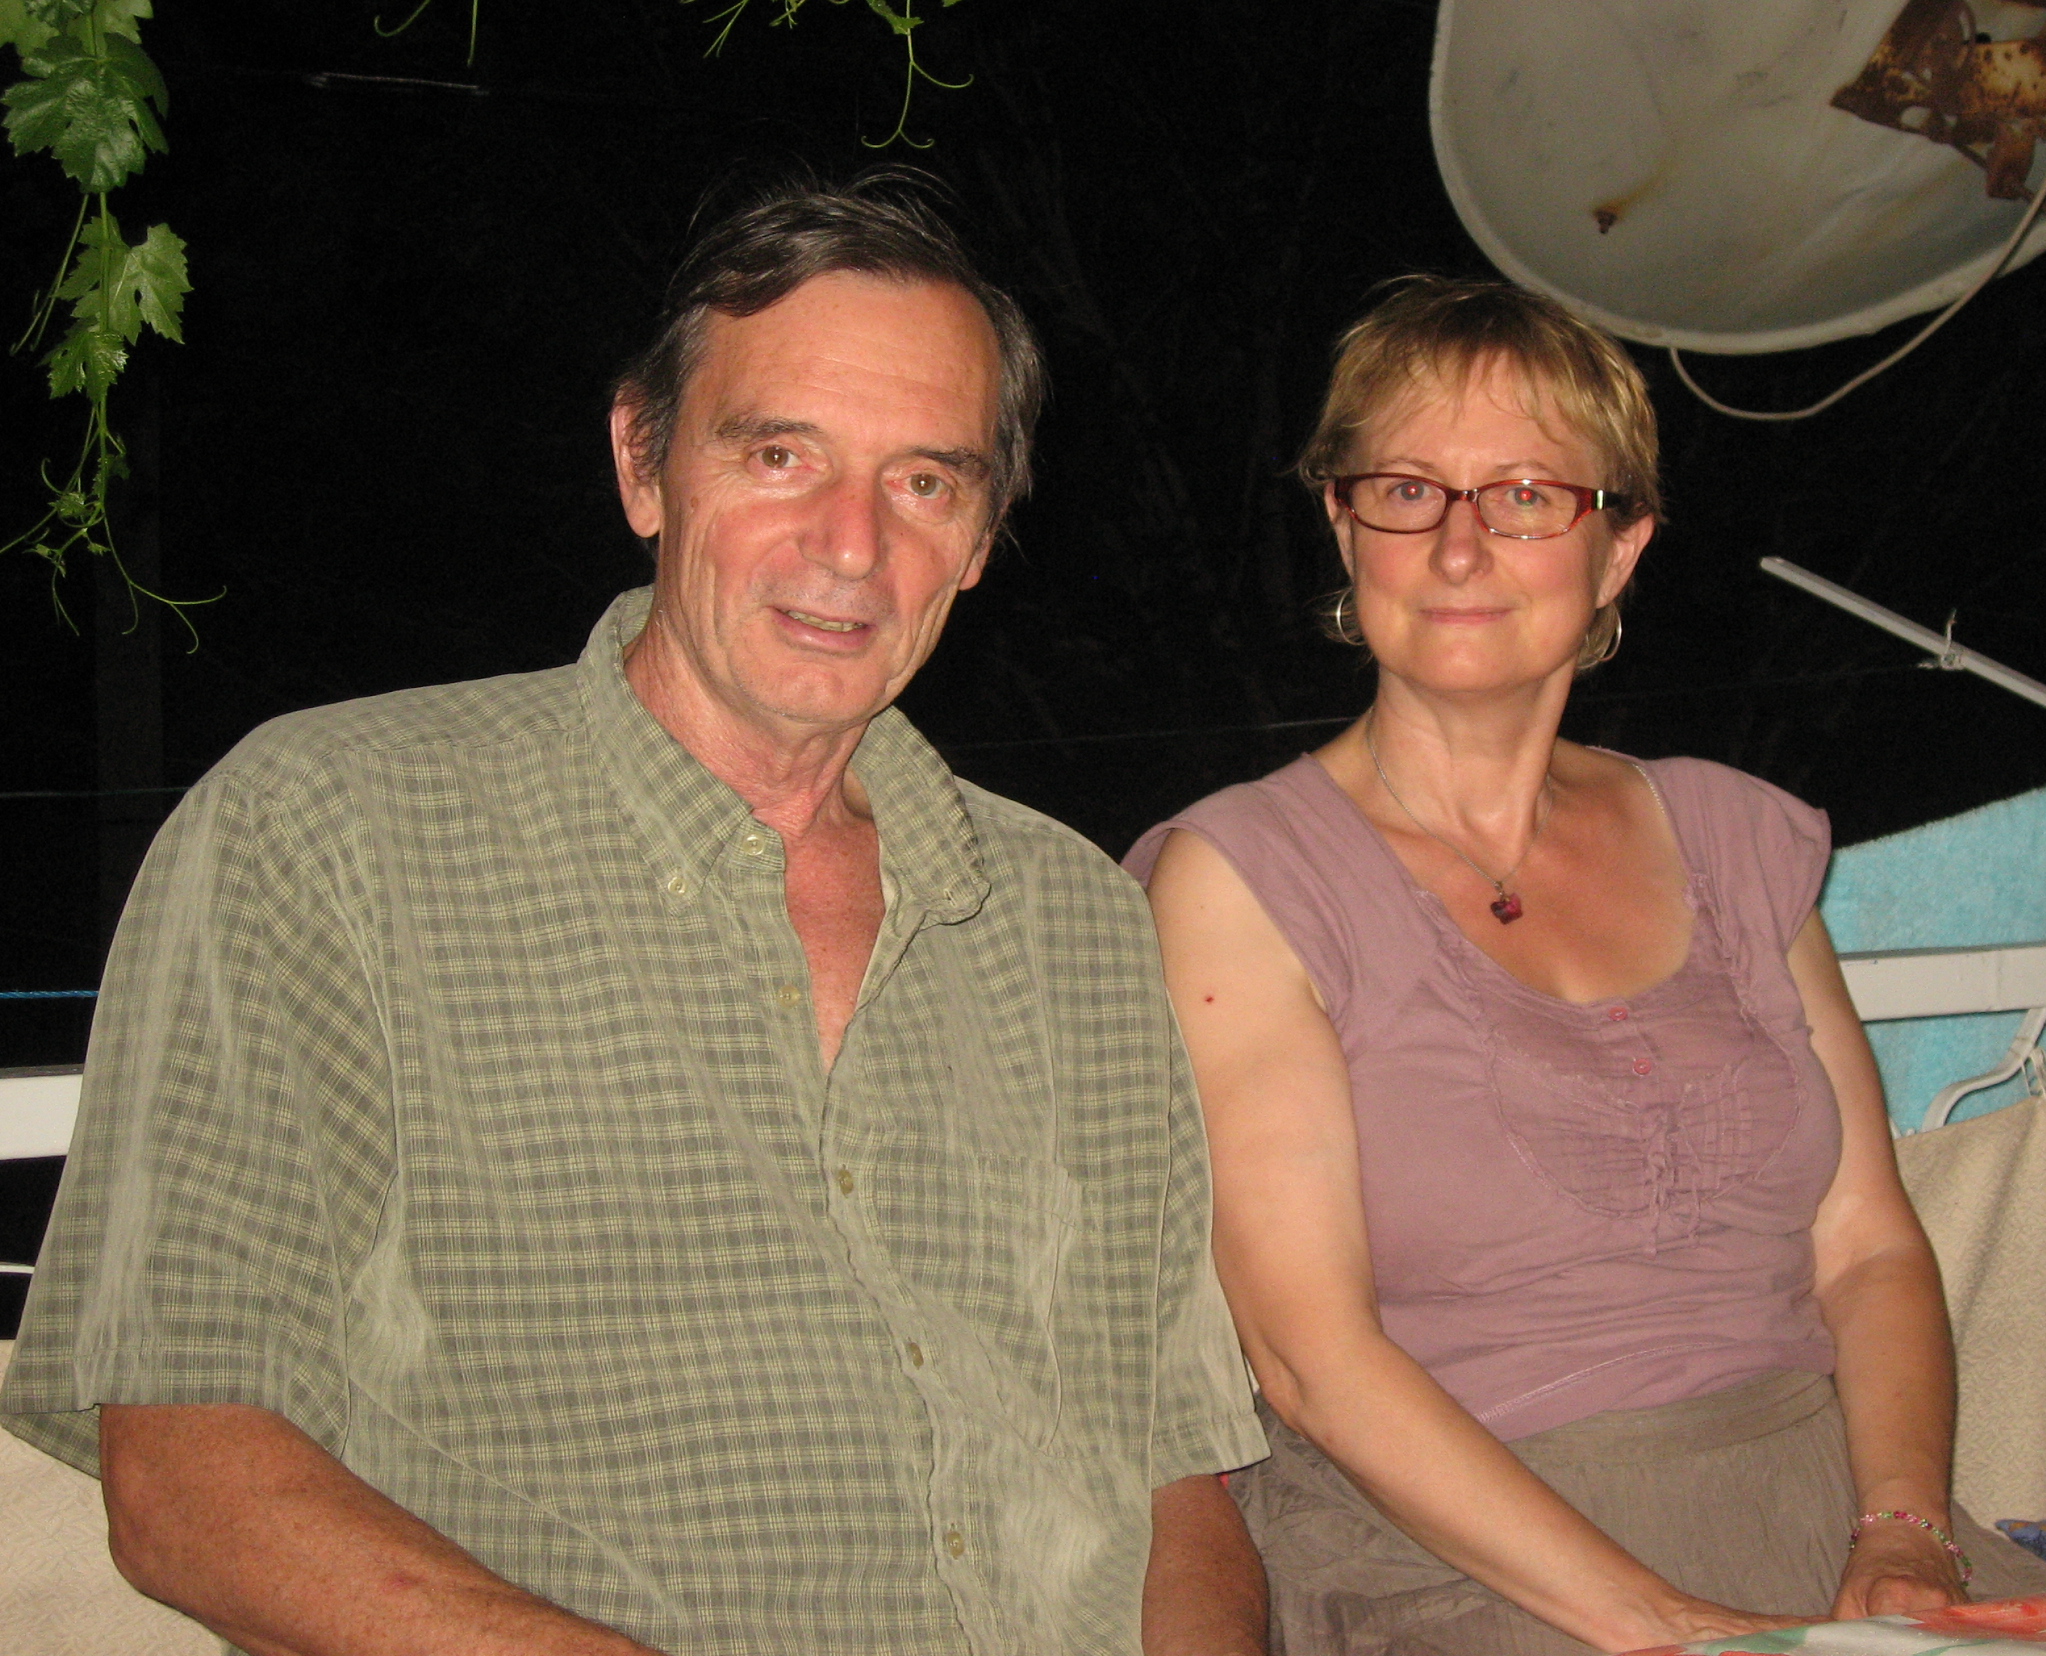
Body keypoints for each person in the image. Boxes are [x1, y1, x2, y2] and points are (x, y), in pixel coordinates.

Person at [1, 176, 1268, 1656]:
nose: (851, 543)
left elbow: (1175, 1480)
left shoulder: (1075, 921)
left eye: (926, 481)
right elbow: (188, 1477)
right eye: (780, 454)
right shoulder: (330, 831)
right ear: (644, 463)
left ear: (984, 533)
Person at [1127, 276, 2046, 1656]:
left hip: (1829, 1514)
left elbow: (1865, 1244)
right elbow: (1312, 1363)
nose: (1459, 548)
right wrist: (1672, 1625)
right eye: (1407, 492)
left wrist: (1905, 1529)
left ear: (1619, 549)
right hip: (1465, 1560)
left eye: (1525, 496)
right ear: (1343, 524)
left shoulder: (1732, 836)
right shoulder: (1246, 879)